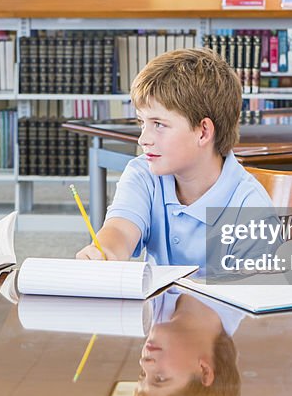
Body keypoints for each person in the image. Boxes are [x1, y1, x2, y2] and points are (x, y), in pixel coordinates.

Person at [76, 48, 277, 271]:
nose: (143, 139)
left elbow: (249, 297)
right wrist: (104, 252)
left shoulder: (251, 207)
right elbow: (121, 229)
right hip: (160, 306)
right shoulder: (143, 173)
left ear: (203, 132)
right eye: (142, 123)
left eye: (159, 125)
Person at [134, 288, 243, 396]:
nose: (144, 363)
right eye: (160, 378)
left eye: (142, 375)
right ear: (204, 370)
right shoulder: (247, 280)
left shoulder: (142, 304)